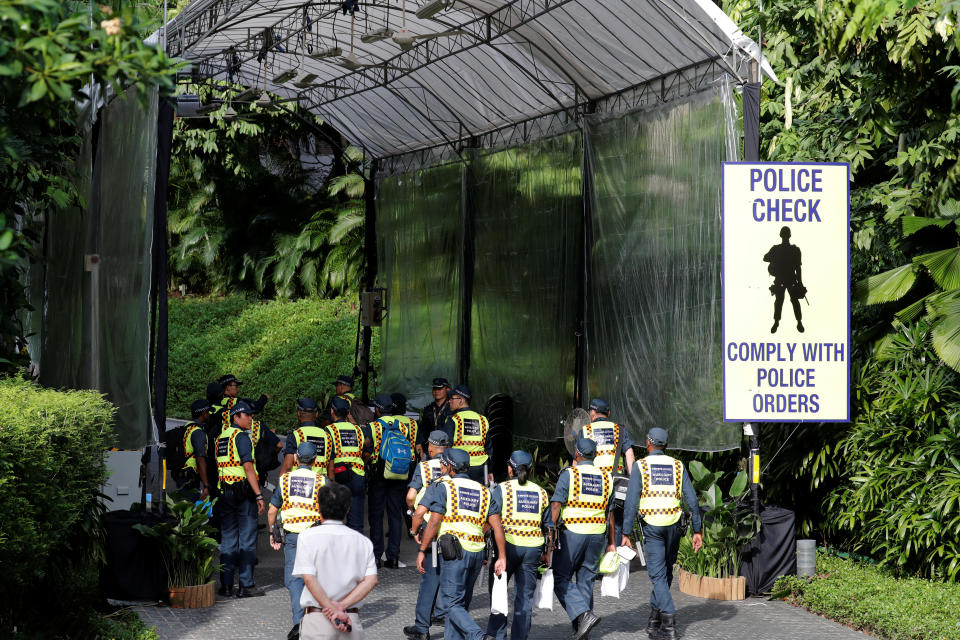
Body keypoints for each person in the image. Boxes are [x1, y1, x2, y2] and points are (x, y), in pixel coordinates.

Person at [416, 448, 507, 640]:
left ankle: (478, 636)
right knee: (460, 604)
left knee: (451, 604)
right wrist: (501, 556)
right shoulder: (484, 491)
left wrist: (423, 549)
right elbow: (496, 525)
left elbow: (433, 522)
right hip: (477, 552)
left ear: (450, 467)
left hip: (454, 553)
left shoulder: (445, 487)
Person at [622, 428, 703, 640]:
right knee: (666, 573)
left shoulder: (641, 466)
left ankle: (669, 623)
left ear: (648, 443)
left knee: (657, 575)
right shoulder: (678, 465)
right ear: (666, 445)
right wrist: (698, 530)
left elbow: (631, 503)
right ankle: (654, 617)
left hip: (652, 527)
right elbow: (692, 500)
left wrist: (625, 532)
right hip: (675, 526)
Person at [294, 483, 379, 640]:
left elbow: (309, 578)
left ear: (319, 508)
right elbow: (371, 580)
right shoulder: (363, 541)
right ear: (347, 509)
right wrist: (341, 607)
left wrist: (330, 607)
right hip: (350, 620)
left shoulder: (307, 537)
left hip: (317, 620)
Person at [550, 437, 615, 640]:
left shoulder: (570, 474)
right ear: (594, 455)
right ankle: (582, 633)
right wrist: (612, 542)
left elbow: (556, 506)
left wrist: (549, 536)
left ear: (576, 453)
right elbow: (610, 514)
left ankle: (584, 615)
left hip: (573, 535)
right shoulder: (607, 477)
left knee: (561, 578)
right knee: (586, 582)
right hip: (597, 536)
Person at [485, 450, 552, 640]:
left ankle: (497, 635)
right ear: (530, 470)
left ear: (509, 469)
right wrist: (547, 553)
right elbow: (549, 527)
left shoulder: (502, 489)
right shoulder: (541, 492)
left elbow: (491, 519)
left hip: (506, 548)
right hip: (533, 551)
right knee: (524, 599)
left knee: (498, 594)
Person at [269, 441, 328, 640]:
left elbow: (272, 510)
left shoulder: (284, 480)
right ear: (316, 460)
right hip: (315, 537)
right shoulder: (322, 481)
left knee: (294, 581)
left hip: (292, 538)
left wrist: (272, 532)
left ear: (295, 459)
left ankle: (299, 623)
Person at [215, 400, 266, 598]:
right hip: (243, 494)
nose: (251, 418)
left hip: (225, 493)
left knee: (228, 539)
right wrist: (259, 495)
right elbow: (248, 468)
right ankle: (246, 585)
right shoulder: (241, 438)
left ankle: (226, 586)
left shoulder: (221, 438)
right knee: (247, 538)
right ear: (236, 417)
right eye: (247, 415)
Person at [403, 431, 450, 640]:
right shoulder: (455, 467)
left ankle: (422, 627)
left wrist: (414, 518)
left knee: (430, 577)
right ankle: (441, 613)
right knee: (447, 574)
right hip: (452, 531)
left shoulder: (423, 467)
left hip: (430, 527)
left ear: (430, 448)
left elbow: (411, 496)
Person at [580, 398, 635, 544]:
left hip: (592, 484)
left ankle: (594, 558)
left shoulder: (585, 430)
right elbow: (629, 455)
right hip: (615, 484)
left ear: (592, 413)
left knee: (592, 520)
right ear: (608, 413)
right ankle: (612, 558)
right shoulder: (620, 430)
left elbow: (578, 460)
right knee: (616, 524)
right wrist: (633, 480)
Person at [366, 394, 407, 569]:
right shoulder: (403, 427)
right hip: (398, 473)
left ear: (377, 410)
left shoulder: (372, 427)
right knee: (395, 515)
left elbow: (366, 450)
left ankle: (376, 556)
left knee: (376, 515)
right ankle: (394, 557)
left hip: (379, 474)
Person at [326, 396, 367, 533]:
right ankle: (355, 551)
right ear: (347, 412)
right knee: (356, 521)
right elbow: (365, 449)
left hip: (338, 475)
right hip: (358, 475)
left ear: (332, 411)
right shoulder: (358, 430)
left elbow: (329, 457)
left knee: (334, 519)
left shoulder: (329, 430)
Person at [442, 384, 491, 485]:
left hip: (458, 468)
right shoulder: (482, 419)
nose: (449, 401)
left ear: (461, 400)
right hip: (480, 468)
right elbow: (489, 448)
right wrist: (490, 470)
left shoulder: (454, 420)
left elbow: (446, 446)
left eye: (452, 398)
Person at [763, 225, 806, 334]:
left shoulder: (787, 250)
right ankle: (780, 322)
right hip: (784, 279)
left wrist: (800, 283)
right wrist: (800, 282)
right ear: (788, 235)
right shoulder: (790, 250)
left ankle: (797, 322)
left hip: (787, 279)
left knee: (786, 301)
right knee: (781, 301)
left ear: (781, 235)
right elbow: (765, 258)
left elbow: (798, 267)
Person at [280, 398, 334, 479]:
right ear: (316, 414)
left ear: (298, 414)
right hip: (321, 484)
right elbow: (331, 469)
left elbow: (288, 466)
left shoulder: (296, 435)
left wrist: (280, 487)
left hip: (299, 483)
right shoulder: (327, 436)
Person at [180, 398, 212, 501]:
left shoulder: (187, 427)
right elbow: (200, 459)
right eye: (208, 411)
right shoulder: (198, 432)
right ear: (203, 413)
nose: (209, 414)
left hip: (182, 474)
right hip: (190, 477)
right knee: (190, 510)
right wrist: (206, 485)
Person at [418, 378, 451, 458]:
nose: (436, 391)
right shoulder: (427, 409)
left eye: (440, 389)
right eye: (435, 389)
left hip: (447, 449)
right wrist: (418, 444)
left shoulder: (451, 408)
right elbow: (421, 430)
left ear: (447, 389)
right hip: (430, 449)